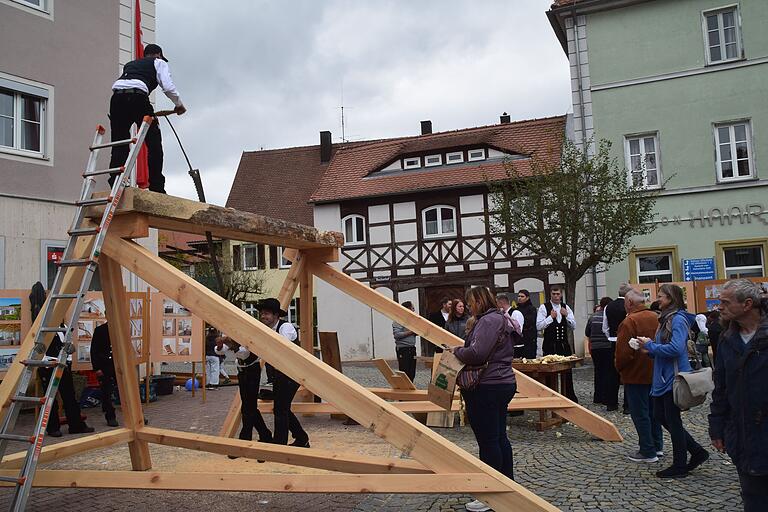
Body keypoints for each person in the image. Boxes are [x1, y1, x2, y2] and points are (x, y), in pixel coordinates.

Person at [449, 287, 520, 512]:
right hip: (502, 382)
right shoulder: (501, 318)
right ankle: (507, 485)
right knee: (499, 437)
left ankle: (491, 495)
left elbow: (477, 353)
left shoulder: (489, 321)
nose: (469, 306)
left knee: (489, 440)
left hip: (487, 385)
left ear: (480, 301)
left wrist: (456, 351)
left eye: (471, 302)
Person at [636, 284, 708, 478]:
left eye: (661, 296)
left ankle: (679, 466)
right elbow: (664, 348)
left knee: (672, 420)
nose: (657, 299)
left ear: (671, 298)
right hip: (663, 377)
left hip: (673, 377)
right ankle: (697, 451)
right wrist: (649, 349)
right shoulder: (666, 318)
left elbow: (676, 349)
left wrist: (651, 345)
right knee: (660, 416)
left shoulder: (677, 319)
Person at [709, 279, 768, 511]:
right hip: (743, 432)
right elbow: (721, 387)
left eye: (725, 302)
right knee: (753, 497)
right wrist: (717, 426)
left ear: (747, 304)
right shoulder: (727, 339)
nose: (719, 307)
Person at [108, 43, 186, 193]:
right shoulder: (159, 62)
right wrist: (179, 105)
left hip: (116, 99)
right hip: (137, 97)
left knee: (119, 142)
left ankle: (116, 181)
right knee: (154, 143)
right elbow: (168, 87)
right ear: (158, 55)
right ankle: (157, 186)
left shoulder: (131, 64)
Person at [615, 289, 663, 463]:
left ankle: (647, 450)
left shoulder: (629, 321)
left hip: (635, 374)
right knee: (654, 412)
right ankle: (657, 446)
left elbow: (623, 353)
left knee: (640, 413)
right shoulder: (656, 318)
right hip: (656, 372)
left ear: (629, 303)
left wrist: (620, 369)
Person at [258, 298, 309, 447]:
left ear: (276, 315)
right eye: (262, 313)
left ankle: (279, 444)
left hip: (292, 373)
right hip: (280, 375)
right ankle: (301, 438)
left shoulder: (286, 327)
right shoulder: (268, 329)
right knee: (282, 408)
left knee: (280, 409)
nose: (263, 316)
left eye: (266, 313)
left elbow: (282, 346)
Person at [39, 323, 95, 437]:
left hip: (63, 366)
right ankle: (53, 428)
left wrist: (70, 351)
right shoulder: (44, 326)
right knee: (50, 398)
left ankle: (76, 425)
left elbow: (69, 345)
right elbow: (41, 349)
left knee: (70, 396)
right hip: (48, 367)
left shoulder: (64, 326)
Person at [536, 285, 578, 402]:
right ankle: (551, 396)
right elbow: (538, 326)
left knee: (567, 372)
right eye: (554, 294)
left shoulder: (565, 307)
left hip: (563, 345)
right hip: (550, 345)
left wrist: (566, 315)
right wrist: (550, 317)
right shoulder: (544, 307)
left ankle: (569, 396)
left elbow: (574, 326)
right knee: (550, 372)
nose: (556, 296)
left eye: (558, 294)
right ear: (550, 294)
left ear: (561, 294)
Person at [586, 297, 613, 406]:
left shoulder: (592, 317)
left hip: (595, 347)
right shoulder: (610, 317)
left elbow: (587, 332)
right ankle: (607, 396)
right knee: (608, 371)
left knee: (598, 371)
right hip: (607, 346)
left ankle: (598, 396)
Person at [90, 322, 118, 427]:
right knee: (107, 393)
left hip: (119, 365)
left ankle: (138, 415)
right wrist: (97, 368)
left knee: (127, 390)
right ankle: (110, 416)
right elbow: (94, 350)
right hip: (105, 366)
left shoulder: (122, 328)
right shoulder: (100, 330)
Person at [392, 301, 417, 382]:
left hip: (412, 348)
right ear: (407, 309)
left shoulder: (412, 321)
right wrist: (411, 332)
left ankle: (411, 390)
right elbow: (397, 335)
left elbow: (414, 332)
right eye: (412, 308)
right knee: (404, 371)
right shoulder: (398, 320)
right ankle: (404, 389)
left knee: (412, 372)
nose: (414, 310)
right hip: (403, 349)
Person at [514, 289, 538, 359]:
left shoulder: (531, 309)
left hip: (529, 339)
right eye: (519, 296)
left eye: (522, 296)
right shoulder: (516, 309)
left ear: (527, 298)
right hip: (519, 340)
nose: (520, 298)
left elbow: (530, 322)